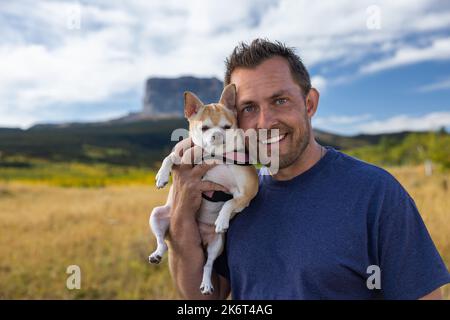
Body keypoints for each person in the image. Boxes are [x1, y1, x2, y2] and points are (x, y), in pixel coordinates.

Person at [166, 39, 450, 299]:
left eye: (280, 100)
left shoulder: (376, 193)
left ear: (310, 103)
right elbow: (203, 299)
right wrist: (180, 209)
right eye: (249, 108)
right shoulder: (234, 194)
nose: (265, 122)